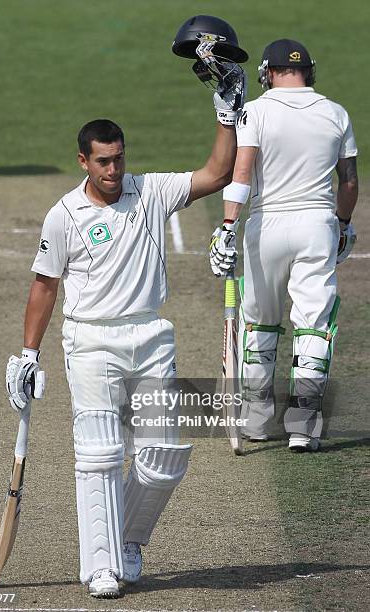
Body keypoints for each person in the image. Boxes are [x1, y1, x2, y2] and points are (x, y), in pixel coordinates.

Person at [5, 36, 247, 596]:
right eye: (104, 162)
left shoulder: (150, 192)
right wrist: (26, 354)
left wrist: (226, 114)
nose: (115, 170)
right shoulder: (63, 215)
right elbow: (44, 287)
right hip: (90, 341)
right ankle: (102, 566)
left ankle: (127, 538)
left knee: (166, 452)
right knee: (99, 454)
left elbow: (215, 173)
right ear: (83, 161)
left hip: (151, 335)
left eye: (120, 158)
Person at [210, 39, 358, 452]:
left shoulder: (255, 111)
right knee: (313, 323)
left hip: (265, 227)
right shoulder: (335, 113)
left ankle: (256, 421)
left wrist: (226, 226)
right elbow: (348, 182)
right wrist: (343, 225)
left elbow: (241, 175)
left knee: (260, 322)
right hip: (317, 225)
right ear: (309, 71)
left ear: (268, 72)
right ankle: (302, 426)